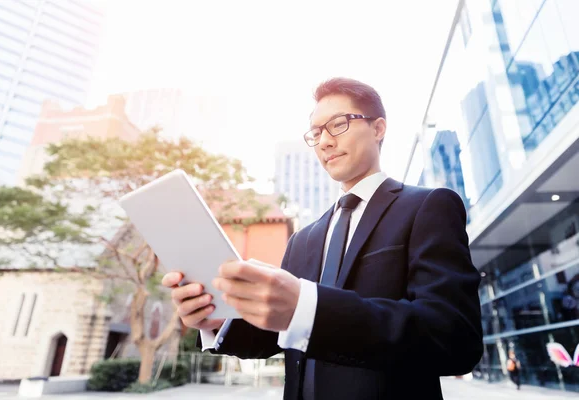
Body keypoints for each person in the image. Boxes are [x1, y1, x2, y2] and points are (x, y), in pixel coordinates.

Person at [162, 77, 484, 399]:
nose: (325, 142)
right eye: (316, 134)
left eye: (338, 125)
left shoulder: (427, 206)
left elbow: (453, 337)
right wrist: (220, 320)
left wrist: (309, 308)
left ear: (378, 128)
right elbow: (273, 338)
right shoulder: (302, 239)